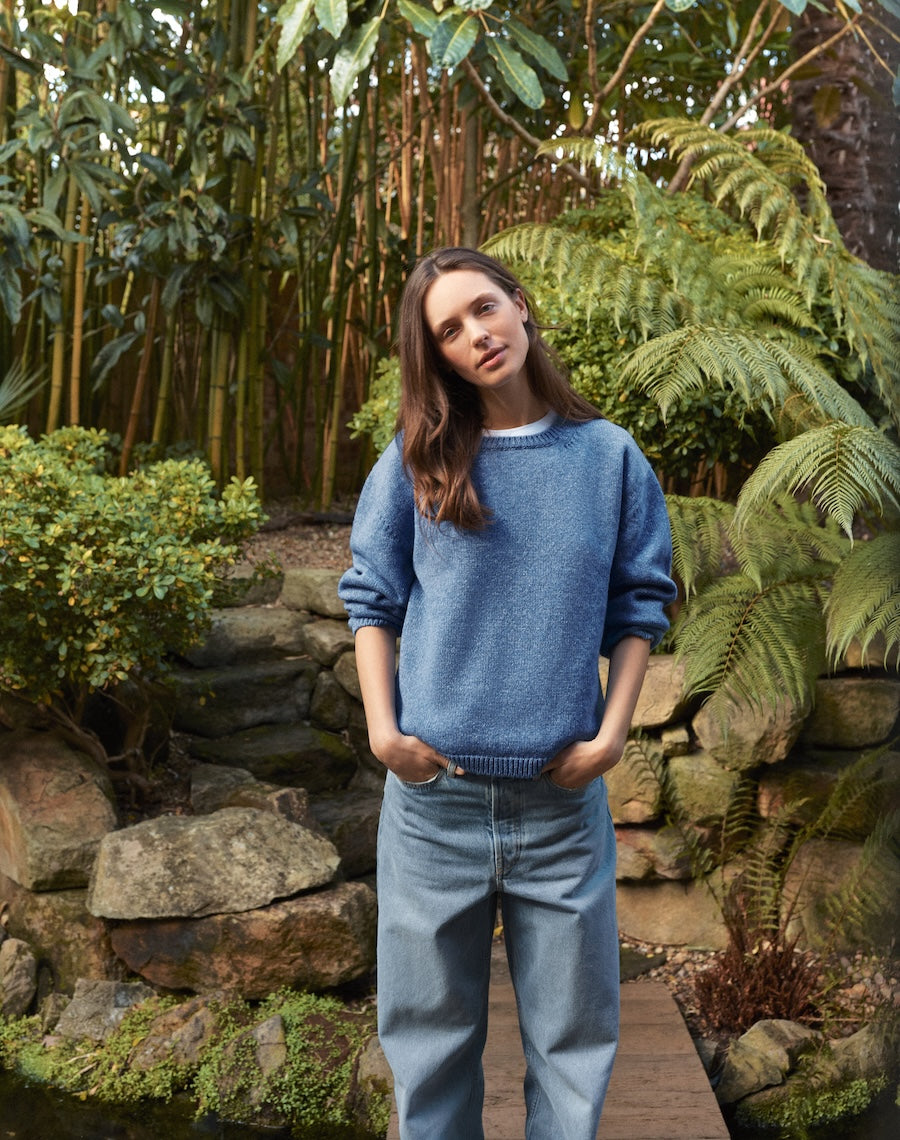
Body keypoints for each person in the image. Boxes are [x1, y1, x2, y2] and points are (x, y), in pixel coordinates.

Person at [338, 247, 677, 1140]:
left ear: (520, 306)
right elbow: (371, 597)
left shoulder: (608, 458)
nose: (476, 335)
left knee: (573, 1051)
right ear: (439, 357)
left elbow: (641, 603)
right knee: (430, 1054)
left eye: (484, 308)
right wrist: (383, 734)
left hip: (560, 807)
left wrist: (611, 737)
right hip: (434, 805)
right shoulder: (417, 460)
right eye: (448, 331)